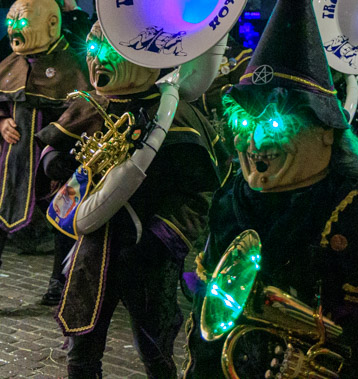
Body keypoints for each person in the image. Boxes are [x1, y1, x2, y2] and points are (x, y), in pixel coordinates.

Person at [183, 0, 358, 379]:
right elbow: (205, 322)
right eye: (245, 123)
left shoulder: (350, 220)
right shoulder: (232, 200)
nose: (253, 143)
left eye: (275, 123)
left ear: (327, 130)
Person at [37, 21, 225, 379]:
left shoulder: (176, 117)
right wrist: (51, 161)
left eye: (112, 54)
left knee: (154, 351)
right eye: (94, 54)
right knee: (82, 351)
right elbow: (52, 141)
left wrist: (161, 237)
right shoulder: (90, 104)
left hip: (148, 258)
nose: (98, 63)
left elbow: (197, 194)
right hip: (92, 250)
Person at [0, 0, 88, 309]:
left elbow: (81, 112)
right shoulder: (11, 63)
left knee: (63, 219)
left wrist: (53, 137)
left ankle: (60, 284)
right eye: (11, 20)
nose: (14, 27)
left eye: (23, 21)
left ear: (52, 24)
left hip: (52, 162)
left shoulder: (71, 65)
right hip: (11, 161)